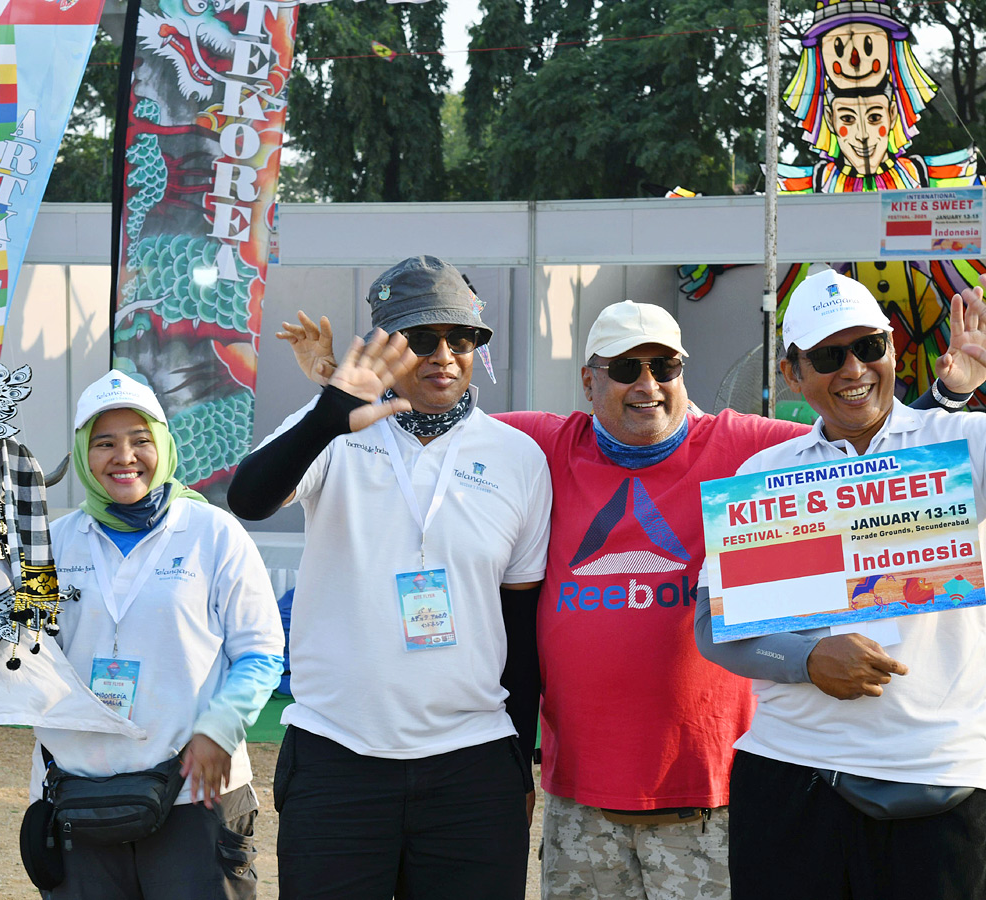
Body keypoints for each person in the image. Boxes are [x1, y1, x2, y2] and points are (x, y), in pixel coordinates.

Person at [277, 277, 986, 900]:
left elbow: (866, 446)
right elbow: (441, 415)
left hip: (715, 798)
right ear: (589, 383)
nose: (646, 383)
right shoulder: (539, 444)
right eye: (624, 369)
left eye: (664, 366)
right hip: (586, 799)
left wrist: (945, 397)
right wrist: (341, 398)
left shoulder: (749, 451)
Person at [229, 255, 553, 900]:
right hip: (337, 757)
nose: (442, 356)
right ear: (385, 347)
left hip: (473, 764)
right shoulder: (333, 431)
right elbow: (249, 499)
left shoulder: (517, 458)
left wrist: (518, 765)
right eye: (421, 339)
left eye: (460, 340)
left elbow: (520, 624)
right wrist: (329, 411)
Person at [695, 269, 986, 900]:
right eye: (829, 356)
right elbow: (714, 629)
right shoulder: (767, 474)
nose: (854, 369)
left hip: (937, 775)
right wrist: (807, 659)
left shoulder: (965, 445)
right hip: (790, 773)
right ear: (792, 375)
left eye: (869, 348)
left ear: (891, 349)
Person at [34, 370, 284, 900]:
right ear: (83, 454)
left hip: (197, 794)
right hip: (77, 792)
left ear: (164, 446)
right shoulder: (49, 545)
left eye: (140, 440)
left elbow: (261, 651)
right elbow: (22, 650)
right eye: (104, 443)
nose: (124, 457)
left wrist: (220, 728)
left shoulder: (214, 533)